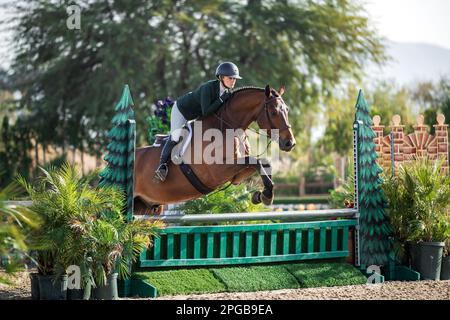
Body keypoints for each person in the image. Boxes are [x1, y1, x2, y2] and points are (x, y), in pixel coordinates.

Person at [153, 61, 242, 182]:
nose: (233, 81)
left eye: (235, 79)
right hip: (182, 110)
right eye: (230, 78)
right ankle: (162, 167)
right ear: (221, 77)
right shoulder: (208, 88)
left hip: (196, 114)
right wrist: (221, 100)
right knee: (176, 136)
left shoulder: (226, 93)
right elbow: (206, 112)